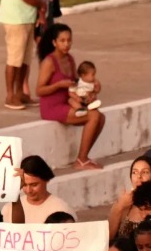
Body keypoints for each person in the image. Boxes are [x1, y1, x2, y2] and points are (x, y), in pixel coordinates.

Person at [36, 24, 106, 170]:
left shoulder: (70, 59)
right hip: (52, 107)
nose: (66, 44)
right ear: (54, 42)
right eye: (62, 41)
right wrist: (58, 85)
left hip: (69, 102)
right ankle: (81, 159)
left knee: (100, 117)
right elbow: (39, 90)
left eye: (69, 40)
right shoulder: (49, 62)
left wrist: (91, 89)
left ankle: (84, 157)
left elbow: (76, 83)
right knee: (93, 116)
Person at [0, 0, 42, 110]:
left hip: (27, 18)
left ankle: (20, 92)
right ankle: (10, 95)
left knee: (25, 60)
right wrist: (40, 5)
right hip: (15, 19)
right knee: (14, 59)